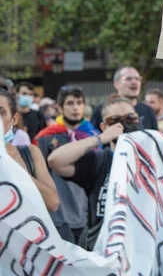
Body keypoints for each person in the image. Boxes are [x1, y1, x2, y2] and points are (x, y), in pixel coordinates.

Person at [48, 96, 140, 250]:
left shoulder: (150, 159)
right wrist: (100, 138)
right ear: (104, 126)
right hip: (100, 249)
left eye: (130, 118)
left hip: (137, 248)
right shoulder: (99, 161)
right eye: (115, 119)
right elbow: (56, 160)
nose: (124, 124)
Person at [34, 86, 100, 244]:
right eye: (70, 103)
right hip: (58, 216)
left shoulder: (95, 137)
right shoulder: (45, 138)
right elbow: (36, 175)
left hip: (87, 214)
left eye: (79, 102)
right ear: (59, 107)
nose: (75, 107)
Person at [1, 89, 59, 212]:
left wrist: (13, 168)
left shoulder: (30, 153)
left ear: (14, 119)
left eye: (1, 113)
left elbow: (53, 203)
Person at [90, 66, 158, 130]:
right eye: (128, 79)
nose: (134, 82)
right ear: (116, 84)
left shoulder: (148, 110)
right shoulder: (101, 110)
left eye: (137, 79)